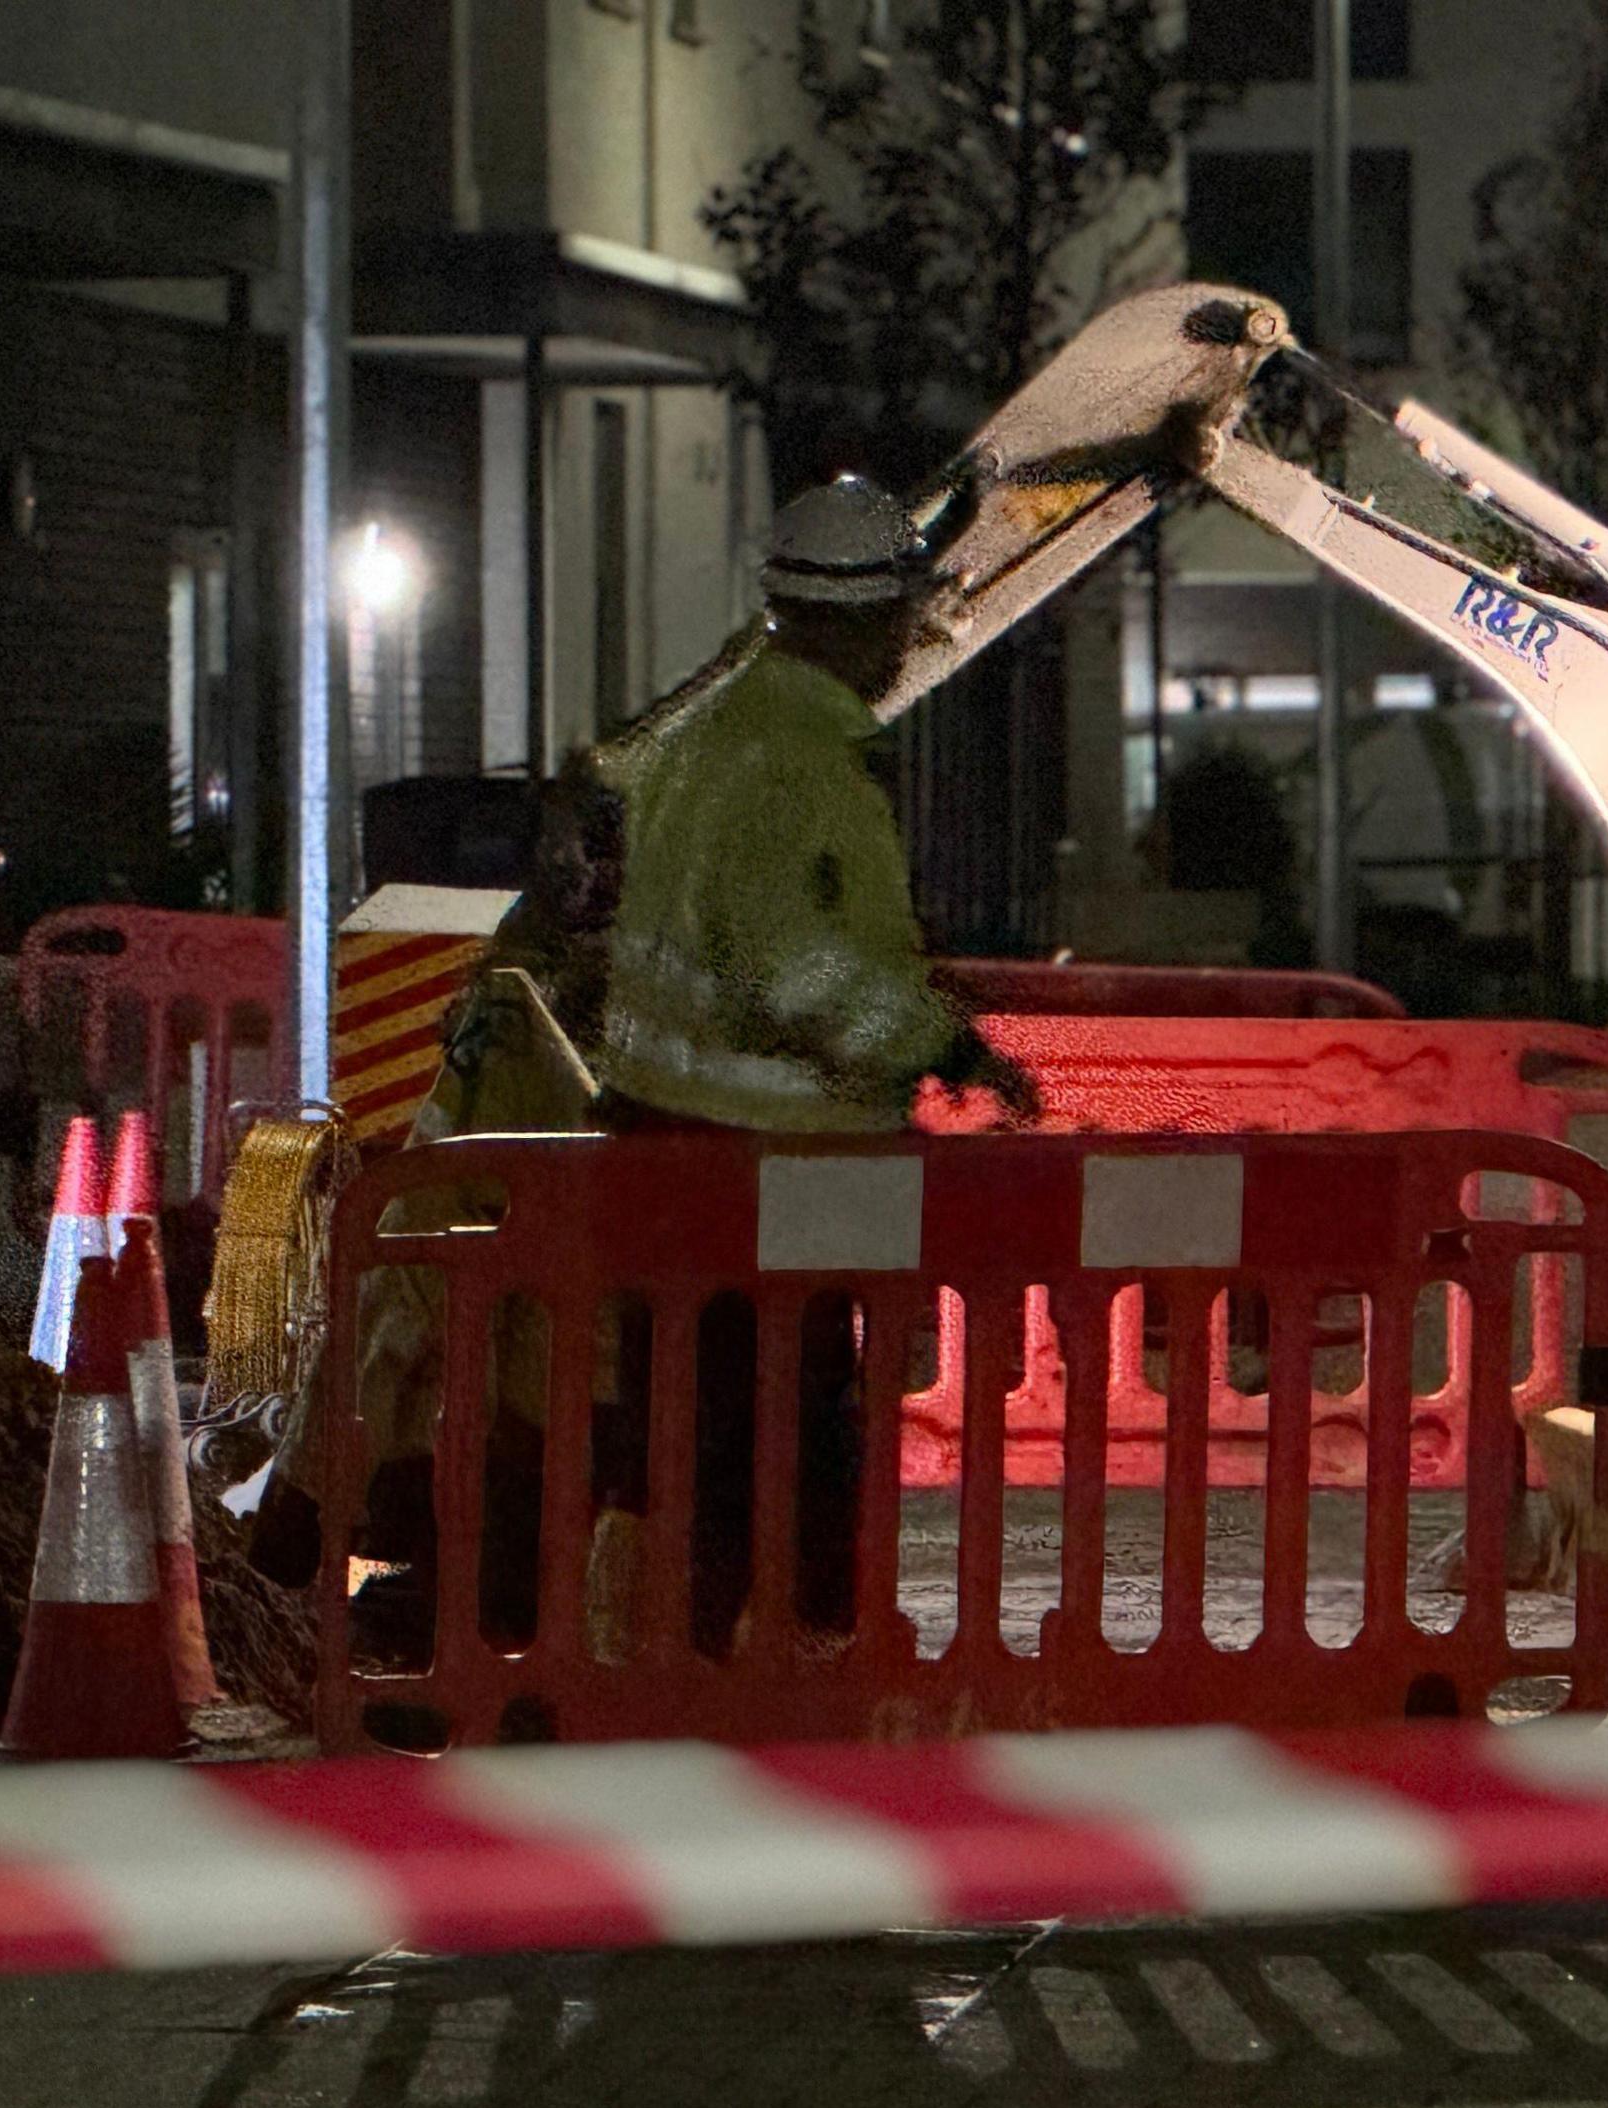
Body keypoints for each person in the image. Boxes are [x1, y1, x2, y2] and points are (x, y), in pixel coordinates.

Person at [257, 476, 1033, 1660]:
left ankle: (654, 1641)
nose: (908, 641)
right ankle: (737, 1655)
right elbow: (792, 963)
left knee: (690, 1427)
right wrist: (937, 1041)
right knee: (757, 1436)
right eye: (900, 616)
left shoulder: (706, 746)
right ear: (864, 616)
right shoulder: (791, 765)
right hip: (767, 1171)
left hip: (672, 1156)